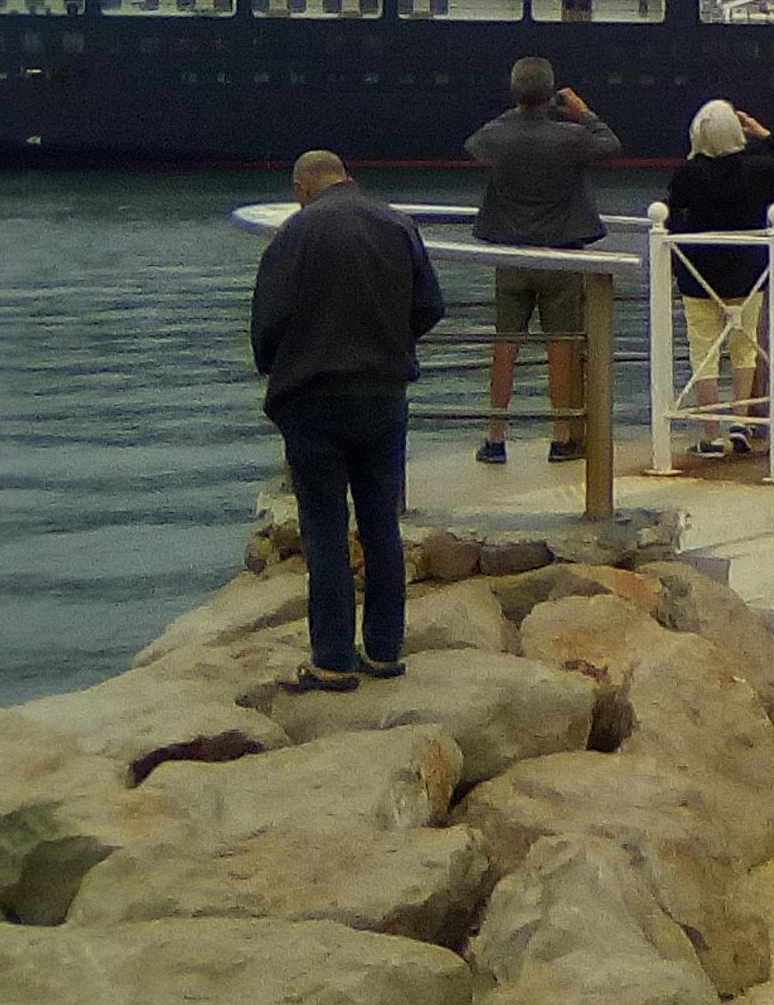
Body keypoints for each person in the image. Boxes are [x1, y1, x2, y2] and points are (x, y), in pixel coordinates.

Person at [249, 149, 445, 693]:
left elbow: (268, 321)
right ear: (346, 177)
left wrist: (280, 365)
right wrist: (390, 342)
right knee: (382, 525)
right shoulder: (398, 225)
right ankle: (383, 650)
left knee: (325, 530)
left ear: (302, 188)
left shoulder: (294, 234)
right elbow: (429, 306)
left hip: (313, 398)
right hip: (383, 395)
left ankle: (333, 659)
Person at [467, 57, 621, 464]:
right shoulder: (570, 137)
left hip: (512, 255)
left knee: (505, 343)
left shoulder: (497, 135)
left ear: (515, 92)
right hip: (560, 255)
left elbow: (474, 144)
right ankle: (561, 436)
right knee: (561, 345)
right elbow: (610, 145)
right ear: (551, 93)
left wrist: (519, 110)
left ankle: (495, 437)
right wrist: (582, 111)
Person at [663, 100, 774, 458]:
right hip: (748, 274)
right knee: (745, 348)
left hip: (699, 275)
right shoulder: (758, 171)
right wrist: (763, 136)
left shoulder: (687, 175)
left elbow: (673, 213)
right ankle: (741, 423)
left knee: (704, 352)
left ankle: (711, 435)